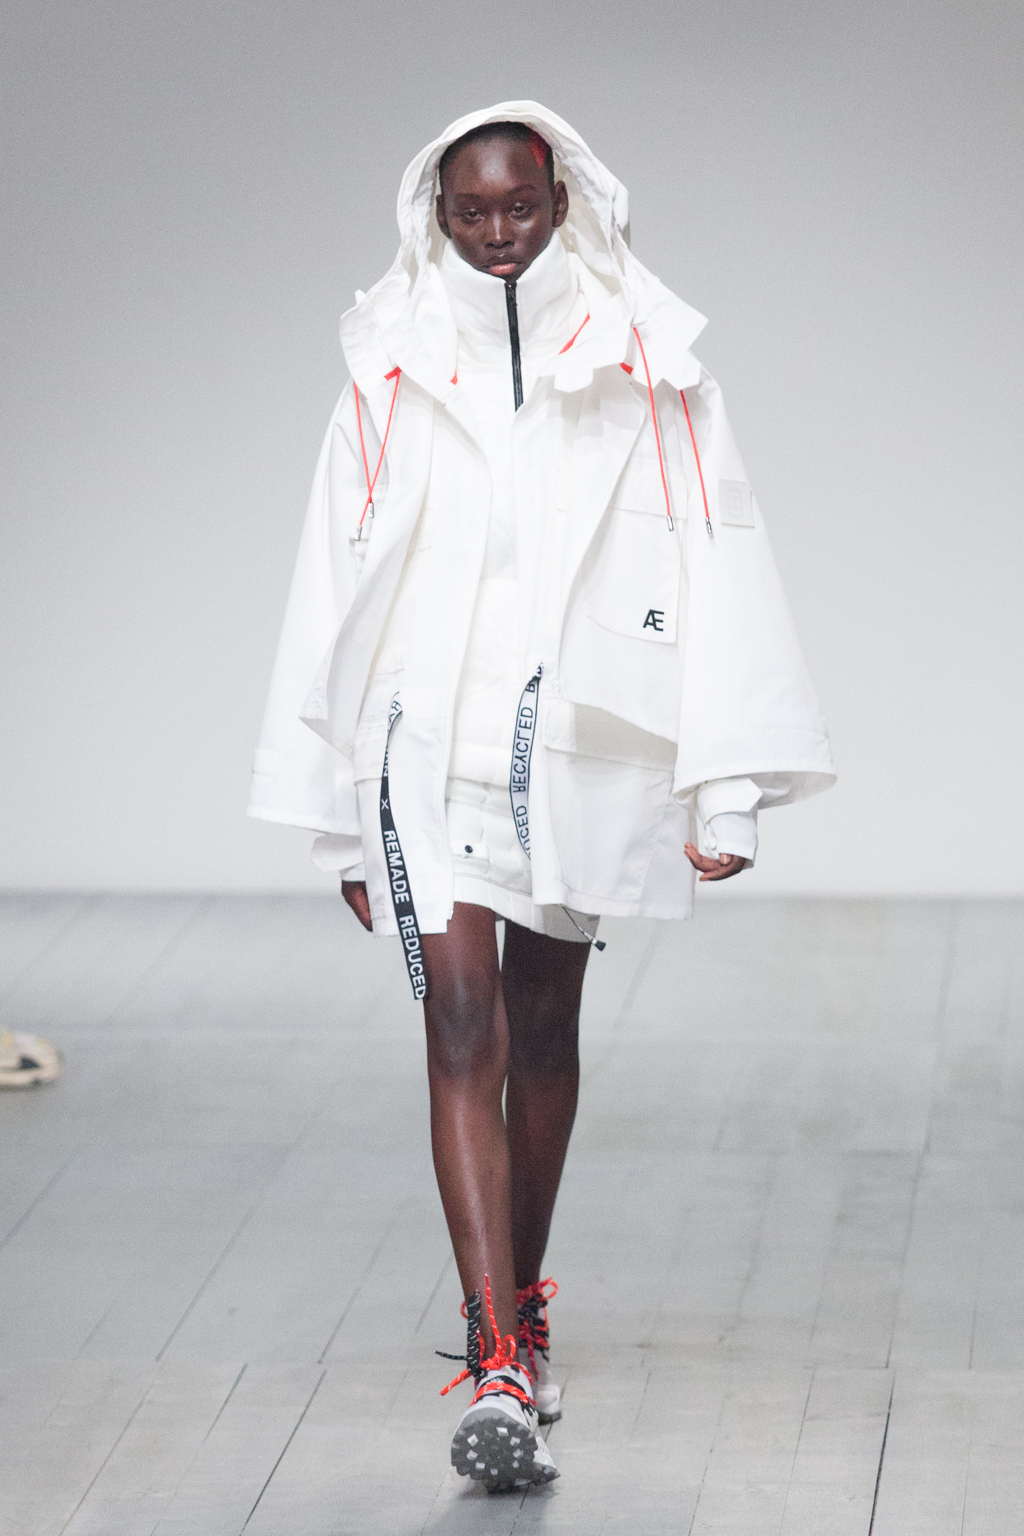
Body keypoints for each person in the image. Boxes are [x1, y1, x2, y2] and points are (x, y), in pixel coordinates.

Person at [249, 101, 834, 1491]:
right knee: (461, 1023)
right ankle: (496, 1352)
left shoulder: (653, 365)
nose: (499, 231)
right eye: (473, 211)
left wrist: (727, 787)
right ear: (437, 216)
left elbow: (715, 558)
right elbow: (332, 577)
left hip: (579, 743)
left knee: (546, 1029)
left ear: (563, 200)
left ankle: (522, 1303)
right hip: (422, 740)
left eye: (520, 204)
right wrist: (336, 812)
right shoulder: (387, 370)